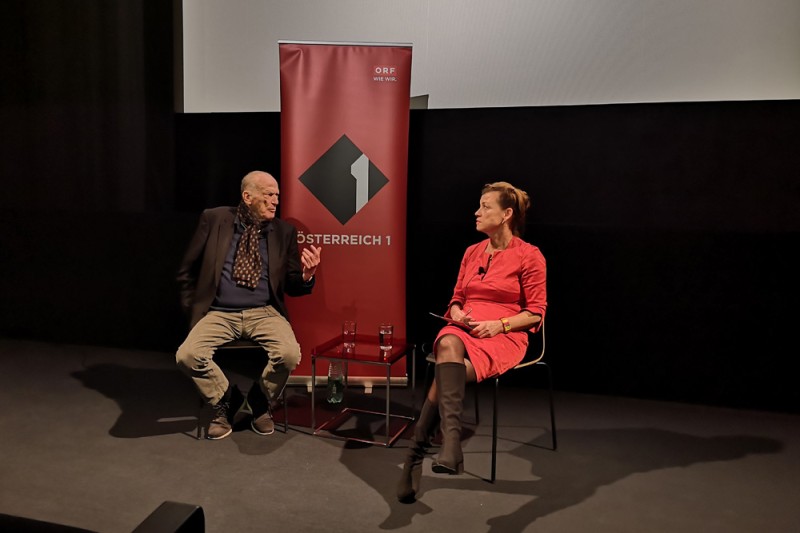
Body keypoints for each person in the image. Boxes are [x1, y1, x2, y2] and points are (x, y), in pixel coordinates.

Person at [397, 181, 547, 503]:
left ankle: (415, 456)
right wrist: (458, 313)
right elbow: (456, 299)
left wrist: (499, 324)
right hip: (463, 330)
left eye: (485, 206)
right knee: (448, 342)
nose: (476, 212)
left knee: (444, 370)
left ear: (506, 214)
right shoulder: (471, 252)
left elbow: (535, 313)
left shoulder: (529, 256)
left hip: (504, 335)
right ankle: (451, 443)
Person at [176, 170, 321, 440]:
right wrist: (194, 312)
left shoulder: (284, 232)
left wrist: (306, 276)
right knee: (187, 355)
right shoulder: (215, 219)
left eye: (277, 195)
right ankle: (226, 399)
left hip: (264, 312)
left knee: (289, 355)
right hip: (219, 312)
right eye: (269, 194)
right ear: (248, 196)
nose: (275, 200)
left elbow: (291, 283)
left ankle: (259, 401)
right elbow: (187, 271)